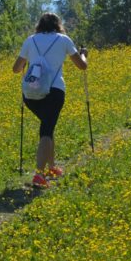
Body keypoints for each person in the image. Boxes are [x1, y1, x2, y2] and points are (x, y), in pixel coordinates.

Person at [13, 12, 88, 189]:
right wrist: (84, 53)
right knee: (47, 129)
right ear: (58, 25)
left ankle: (52, 167)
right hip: (54, 90)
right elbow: (82, 66)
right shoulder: (63, 40)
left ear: (39, 25)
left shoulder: (30, 40)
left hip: (31, 93)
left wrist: (29, 62)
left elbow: (16, 69)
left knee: (48, 125)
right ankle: (39, 174)